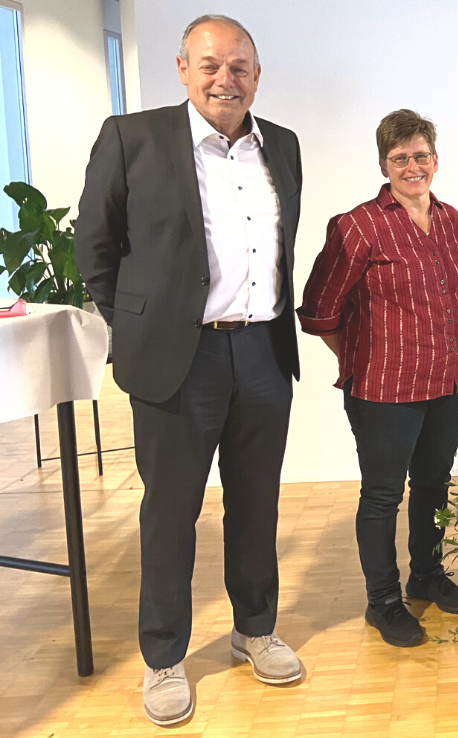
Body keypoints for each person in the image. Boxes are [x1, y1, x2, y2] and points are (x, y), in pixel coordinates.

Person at [74, 15, 303, 726]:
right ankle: (164, 656)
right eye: (210, 65)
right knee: (171, 512)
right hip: (180, 359)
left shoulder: (283, 145)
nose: (224, 79)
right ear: (182, 69)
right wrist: (140, 326)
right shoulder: (132, 138)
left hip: (263, 352)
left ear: (256, 77)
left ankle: (254, 629)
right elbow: (94, 246)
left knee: (257, 503)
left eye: (239, 67)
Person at [298, 110, 458, 648]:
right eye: (400, 158)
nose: (412, 166)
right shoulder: (357, 226)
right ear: (383, 164)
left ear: (435, 160)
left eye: (420, 155)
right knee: (382, 497)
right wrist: (359, 359)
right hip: (385, 392)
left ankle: (426, 575)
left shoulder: (451, 221)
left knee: (433, 485)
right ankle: (382, 601)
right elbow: (319, 309)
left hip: (449, 383)